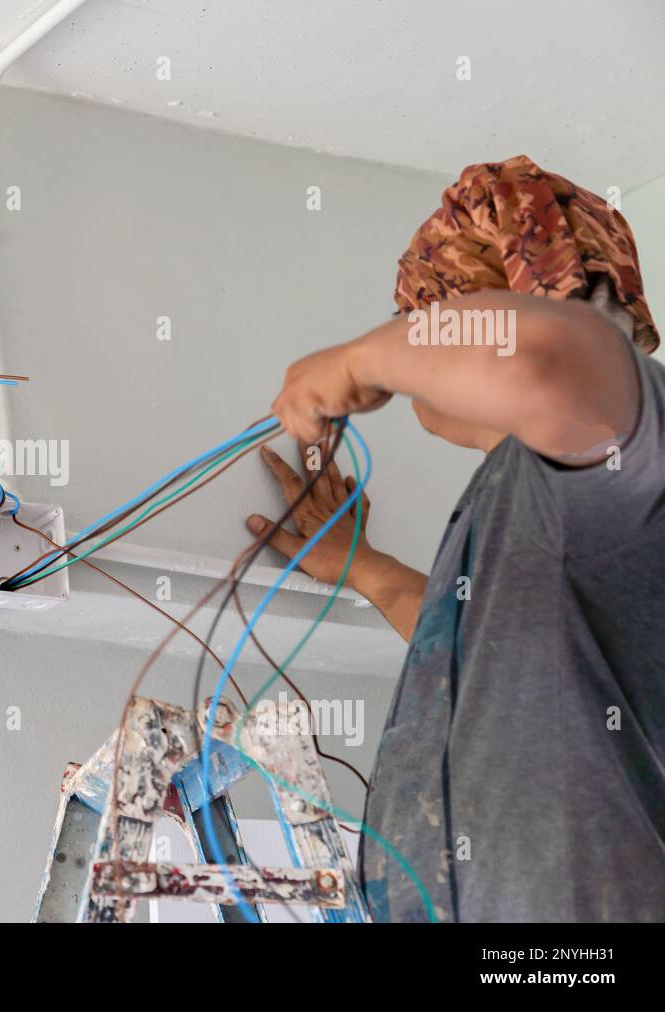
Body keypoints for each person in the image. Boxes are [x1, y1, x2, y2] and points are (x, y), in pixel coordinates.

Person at [251, 155, 664, 922]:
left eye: (419, 321)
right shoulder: (537, 493)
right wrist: (364, 568)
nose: (414, 374)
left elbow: (548, 355)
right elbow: (487, 652)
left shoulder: (622, 442)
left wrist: (354, 360)